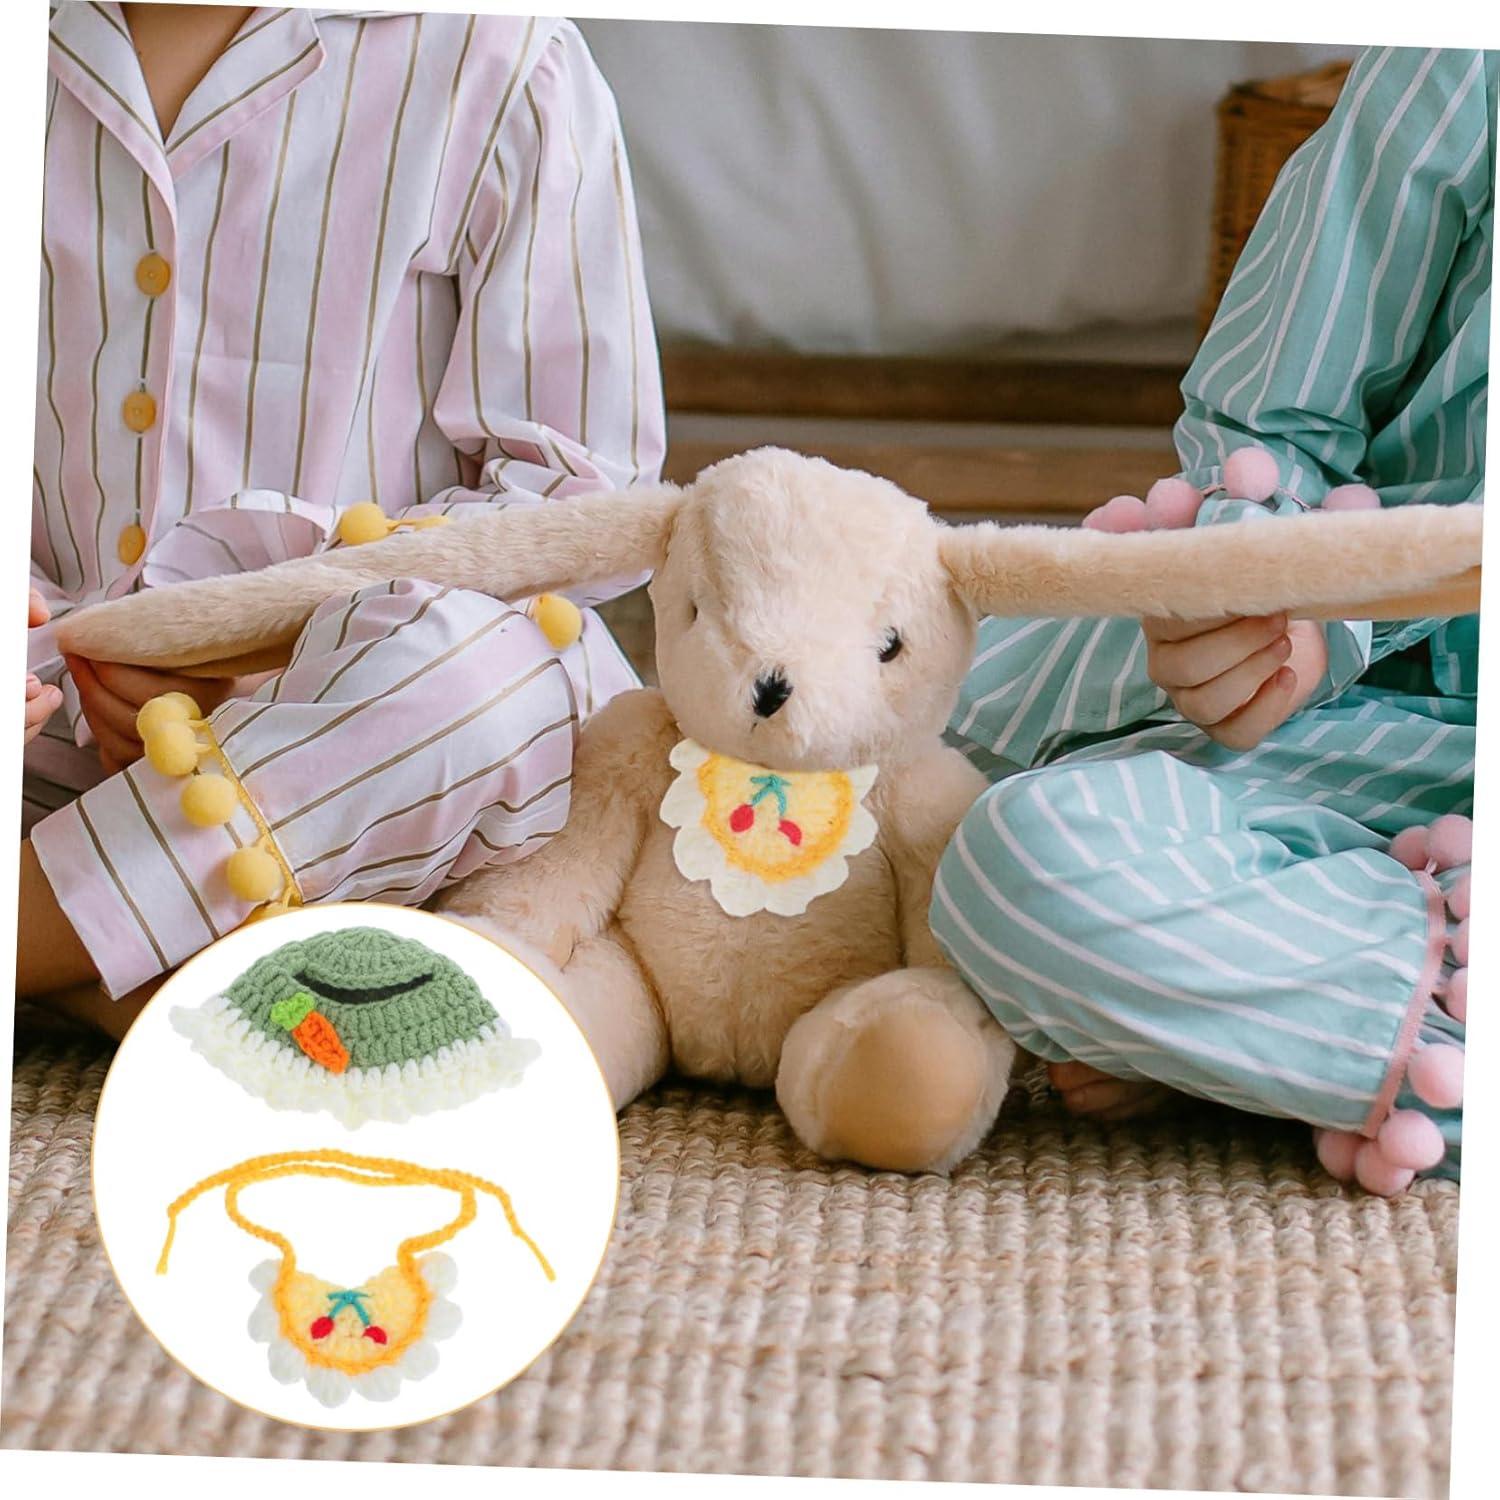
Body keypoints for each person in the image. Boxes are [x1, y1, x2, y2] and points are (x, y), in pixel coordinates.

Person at [22, 5, 664, 1034]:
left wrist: (255, 641)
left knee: (478, 684)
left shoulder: (502, 55)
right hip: (51, 706)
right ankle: (164, 975)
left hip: (351, 714)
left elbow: (584, 492)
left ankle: (56, 947)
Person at [930, 44, 1490, 1193]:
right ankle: (1293, 1018)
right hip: (1366, 682)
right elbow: (1273, 425)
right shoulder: (1459, 64)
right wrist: (1280, 601)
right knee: (989, 816)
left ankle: (1291, 1035)